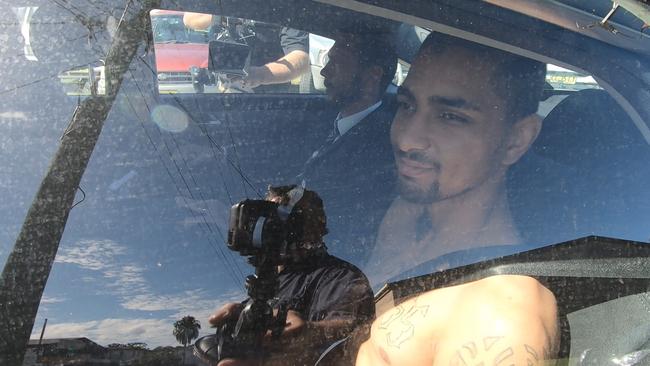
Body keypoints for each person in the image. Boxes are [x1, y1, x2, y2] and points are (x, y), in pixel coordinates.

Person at [355, 32, 559, 365]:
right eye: (406, 105)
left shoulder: (500, 316)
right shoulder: (405, 215)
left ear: (516, 141)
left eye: (450, 116)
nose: (406, 139)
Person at [196, 185, 374, 366]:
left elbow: (355, 328)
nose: (271, 227)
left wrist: (309, 332)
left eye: (289, 218)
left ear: (318, 226)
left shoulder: (339, 276)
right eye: (270, 219)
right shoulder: (269, 282)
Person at [297, 27, 398, 262]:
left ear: (372, 76)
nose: (324, 71)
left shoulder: (376, 154)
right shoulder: (328, 120)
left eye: (337, 63)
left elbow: (331, 232)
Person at [183, 12, 309, 91]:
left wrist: (259, 75)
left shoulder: (285, 8)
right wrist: (224, 11)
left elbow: (300, 59)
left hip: (270, 99)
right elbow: (189, 18)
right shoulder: (224, 6)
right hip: (224, 92)